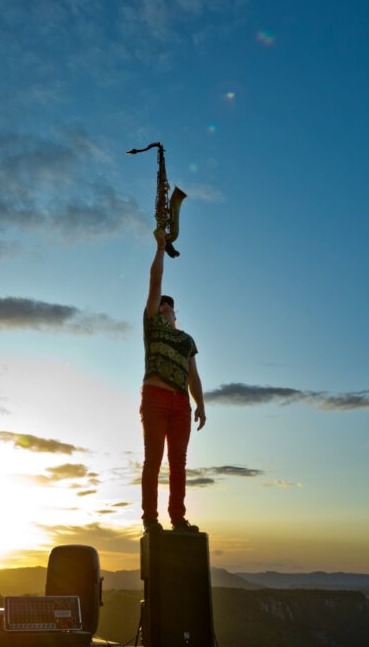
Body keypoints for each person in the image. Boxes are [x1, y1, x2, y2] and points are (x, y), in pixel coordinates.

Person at [140, 228, 206, 533]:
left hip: (181, 404)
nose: (163, 305)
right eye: (160, 303)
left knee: (178, 463)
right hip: (155, 395)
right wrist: (159, 248)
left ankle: (178, 519)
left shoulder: (186, 339)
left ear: (174, 312)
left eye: (168, 304)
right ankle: (151, 520)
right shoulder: (152, 323)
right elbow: (155, 282)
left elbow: (193, 374)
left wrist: (200, 405)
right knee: (153, 459)